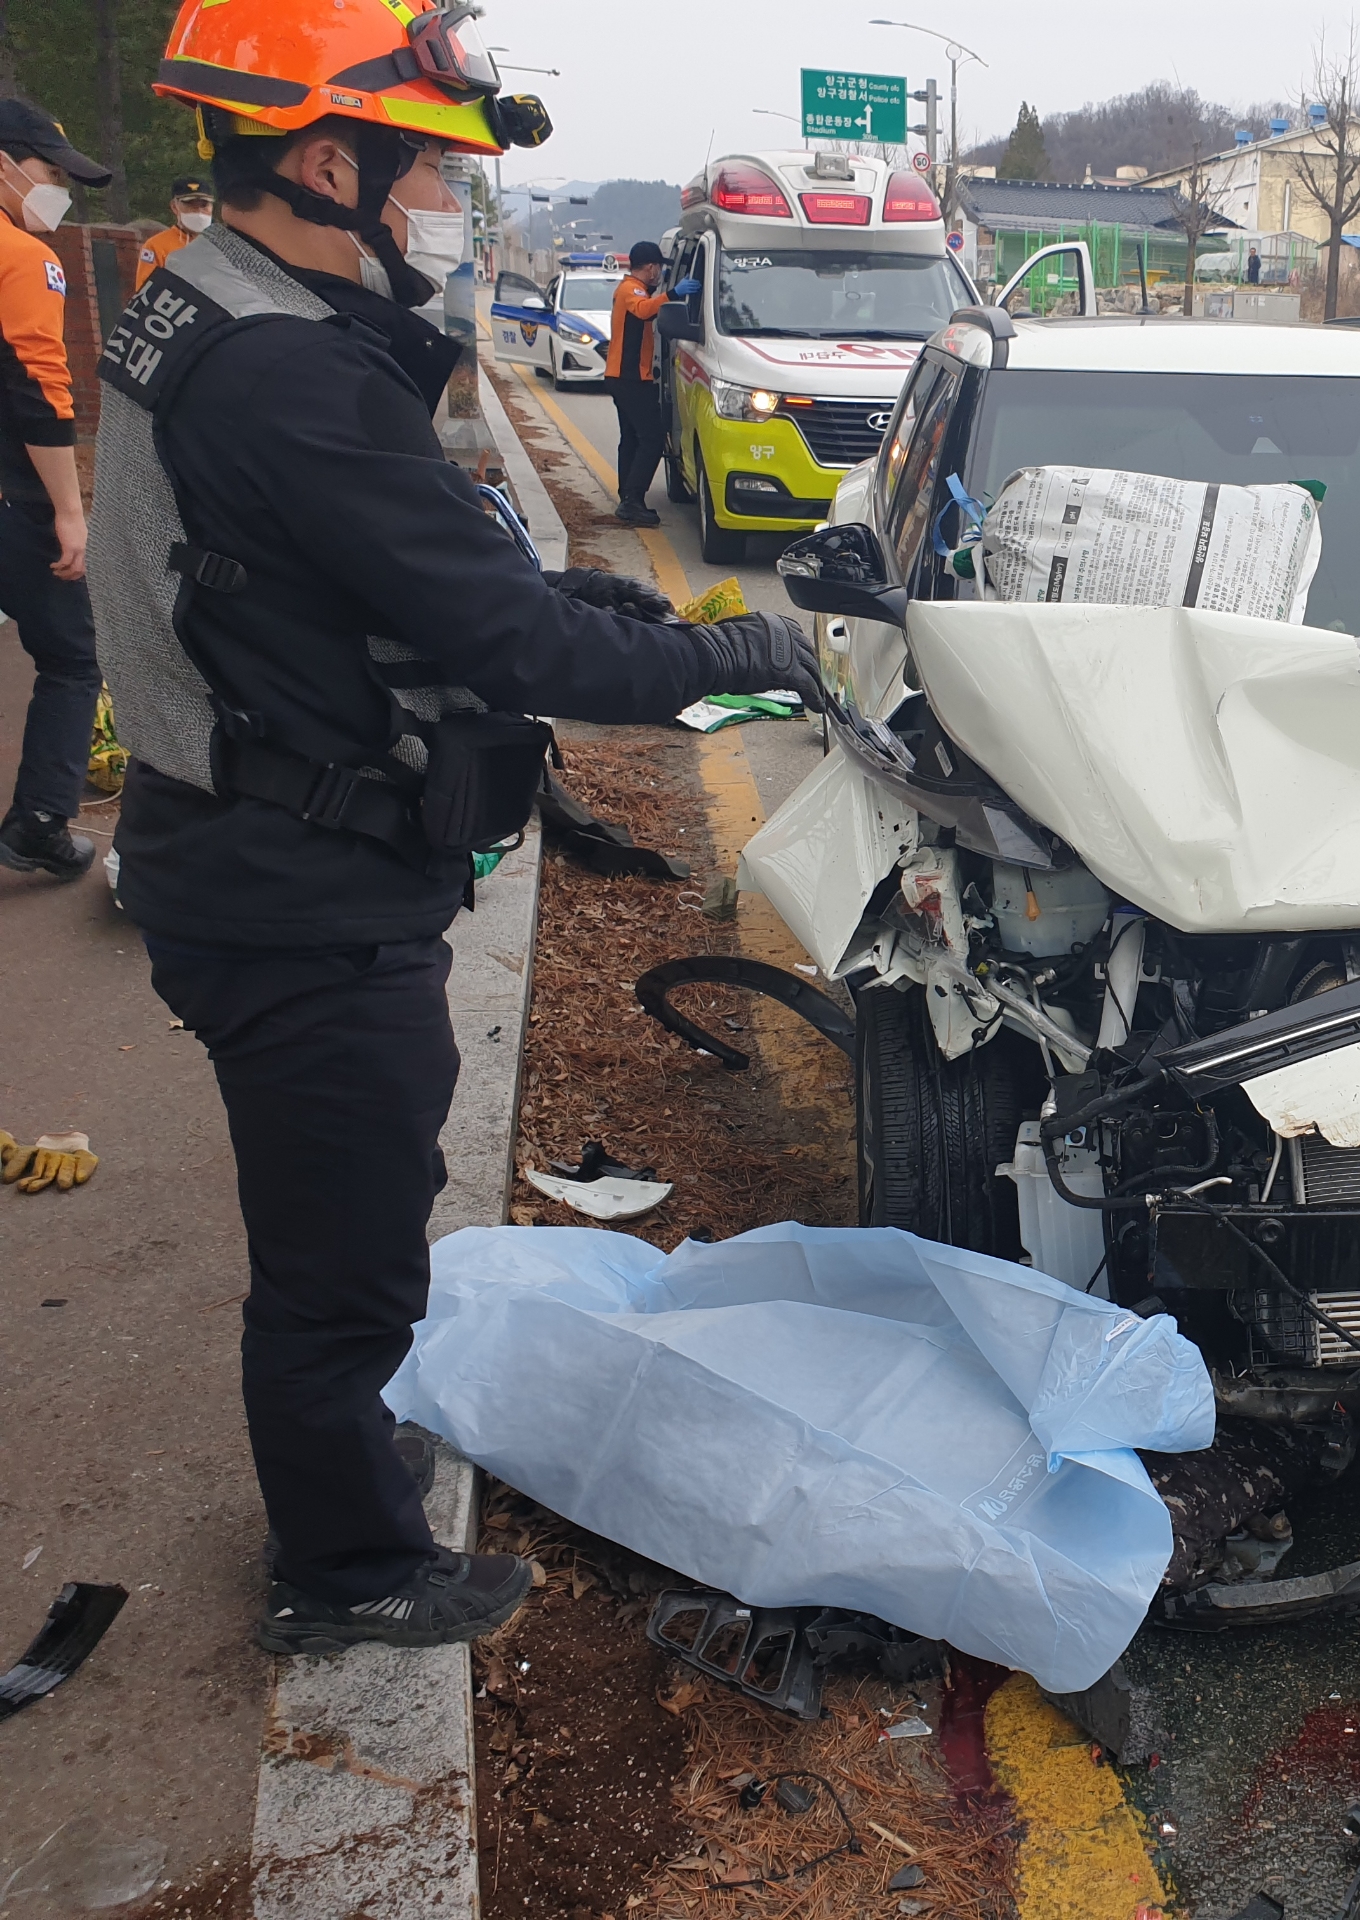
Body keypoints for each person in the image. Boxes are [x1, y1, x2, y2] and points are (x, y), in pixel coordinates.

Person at [97, 0, 827, 1654]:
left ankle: (350, 1467)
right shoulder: (287, 373)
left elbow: (389, 572)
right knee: (341, 1261)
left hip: (252, 850)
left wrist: (589, 599)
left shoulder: (214, 302)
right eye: (430, 171)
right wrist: (732, 657)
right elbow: (508, 645)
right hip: (294, 891)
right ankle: (348, 1568)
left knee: (350, 1211)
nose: (449, 204)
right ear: (329, 163)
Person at [0, 99, 110, 881]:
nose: (59, 192)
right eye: (50, 173)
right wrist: (70, 512)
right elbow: (41, 390)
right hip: (13, 500)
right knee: (74, 656)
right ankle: (39, 822)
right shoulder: (22, 257)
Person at [606, 238, 669, 525]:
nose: (659, 274)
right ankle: (632, 499)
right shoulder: (631, 289)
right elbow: (644, 310)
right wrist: (673, 294)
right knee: (652, 438)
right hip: (629, 377)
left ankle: (628, 496)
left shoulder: (633, 289)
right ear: (651, 267)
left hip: (625, 377)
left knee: (631, 438)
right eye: (659, 268)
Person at [138, 175, 216, 274]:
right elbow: (146, 283)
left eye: (204, 205)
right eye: (190, 204)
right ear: (174, 206)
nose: (199, 211)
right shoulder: (155, 246)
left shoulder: (222, 245)